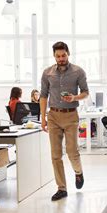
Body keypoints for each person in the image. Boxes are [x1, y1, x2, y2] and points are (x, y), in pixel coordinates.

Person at [40, 41, 89, 201]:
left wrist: (75, 97)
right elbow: (43, 96)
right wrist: (43, 118)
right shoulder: (47, 73)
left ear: (68, 53)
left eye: (63, 55)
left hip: (70, 116)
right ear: (54, 56)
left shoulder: (78, 71)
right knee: (55, 155)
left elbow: (86, 92)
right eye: (58, 56)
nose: (61, 58)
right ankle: (61, 188)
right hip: (53, 116)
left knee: (72, 151)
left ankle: (78, 172)